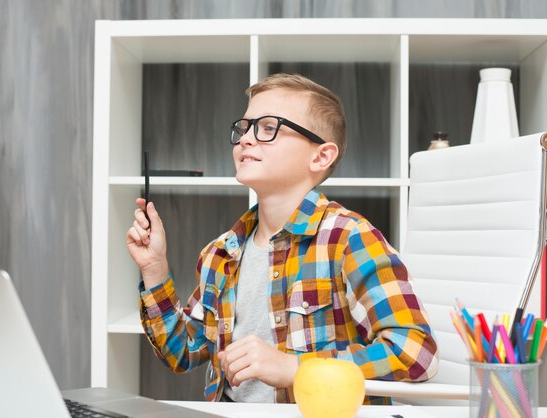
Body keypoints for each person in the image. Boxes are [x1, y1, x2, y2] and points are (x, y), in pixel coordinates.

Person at [126, 73, 439, 404]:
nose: (246, 139)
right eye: (244, 128)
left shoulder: (348, 239)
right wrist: (155, 269)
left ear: (320, 156)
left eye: (268, 128)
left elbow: (417, 352)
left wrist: (296, 368)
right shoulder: (220, 253)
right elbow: (182, 353)